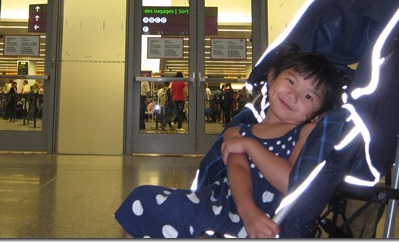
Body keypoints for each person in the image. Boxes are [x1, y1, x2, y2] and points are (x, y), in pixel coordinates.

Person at [114, 44, 343, 238]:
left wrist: (249, 145)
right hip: (227, 204)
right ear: (272, 78)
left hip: (262, 216)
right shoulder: (238, 131)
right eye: (291, 81)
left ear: (318, 113)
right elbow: (238, 169)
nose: (294, 95)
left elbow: (288, 181)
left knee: (166, 211)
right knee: (142, 198)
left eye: (309, 96)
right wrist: (248, 211)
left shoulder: (305, 133)